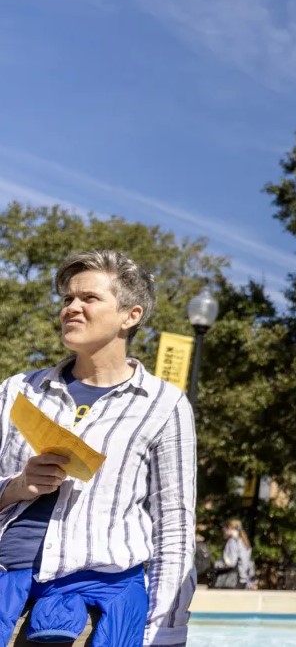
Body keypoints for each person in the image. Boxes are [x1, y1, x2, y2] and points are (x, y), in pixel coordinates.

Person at [0, 250, 196, 646]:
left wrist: (166, 632)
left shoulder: (164, 405)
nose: (71, 308)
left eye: (89, 298)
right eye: (67, 299)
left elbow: (174, 529)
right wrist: (18, 486)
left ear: (131, 315)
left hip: (93, 617)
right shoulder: (17, 390)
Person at [211, 520, 256, 590]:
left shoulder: (232, 541)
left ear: (230, 528)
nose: (224, 530)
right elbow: (249, 562)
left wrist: (217, 565)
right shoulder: (244, 541)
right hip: (244, 578)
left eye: (225, 528)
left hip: (233, 578)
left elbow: (231, 562)